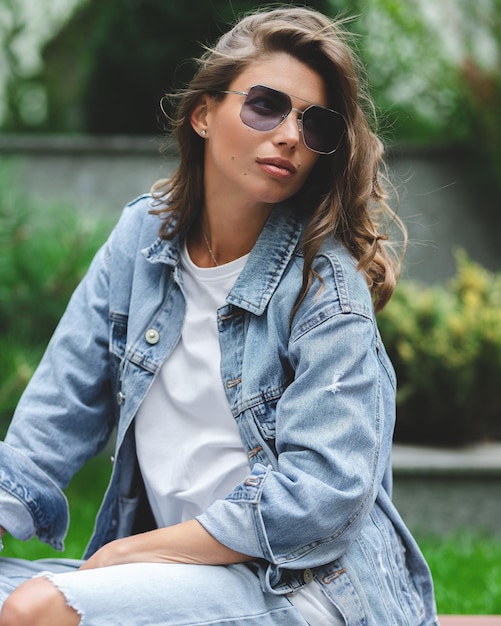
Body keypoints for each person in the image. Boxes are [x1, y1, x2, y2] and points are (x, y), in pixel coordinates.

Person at [0, 6, 438, 625]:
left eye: (315, 125)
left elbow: (319, 498)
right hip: (179, 578)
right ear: (204, 113)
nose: (289, 135)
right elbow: (56, 414)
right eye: (266, 106)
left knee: (38, 610)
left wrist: (134, 551)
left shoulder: (325, 284)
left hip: (300, 590)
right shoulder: (141, 240)